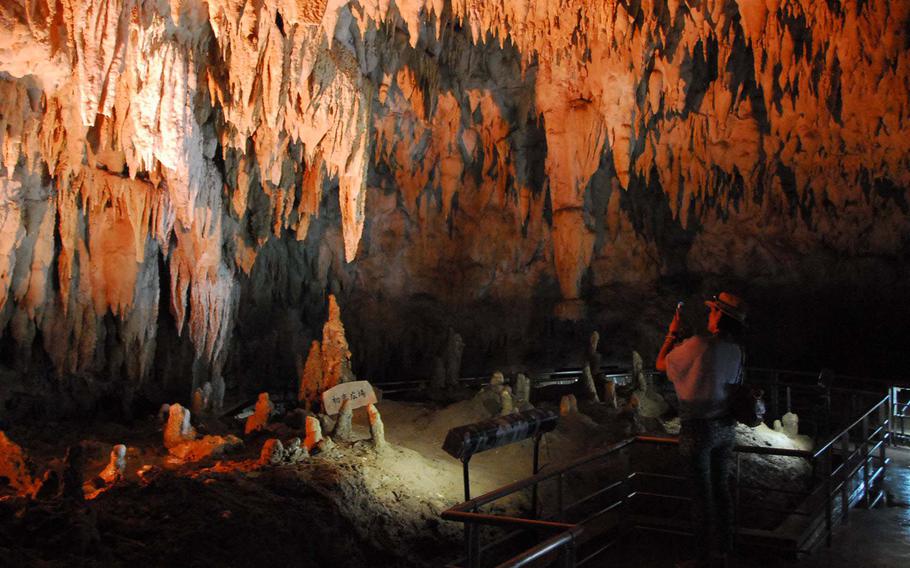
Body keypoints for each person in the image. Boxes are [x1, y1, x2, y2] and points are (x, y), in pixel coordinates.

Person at [655, 292, 747, 568]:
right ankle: (725, 550)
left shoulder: (699, 345)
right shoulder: (737, 350)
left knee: (701, 494)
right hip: (726, 427)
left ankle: (702, 557)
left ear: (720, 316)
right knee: (721, 490)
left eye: (712, 311)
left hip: (698, 428)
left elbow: (662, 364)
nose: (709, 315)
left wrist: (672, 335)